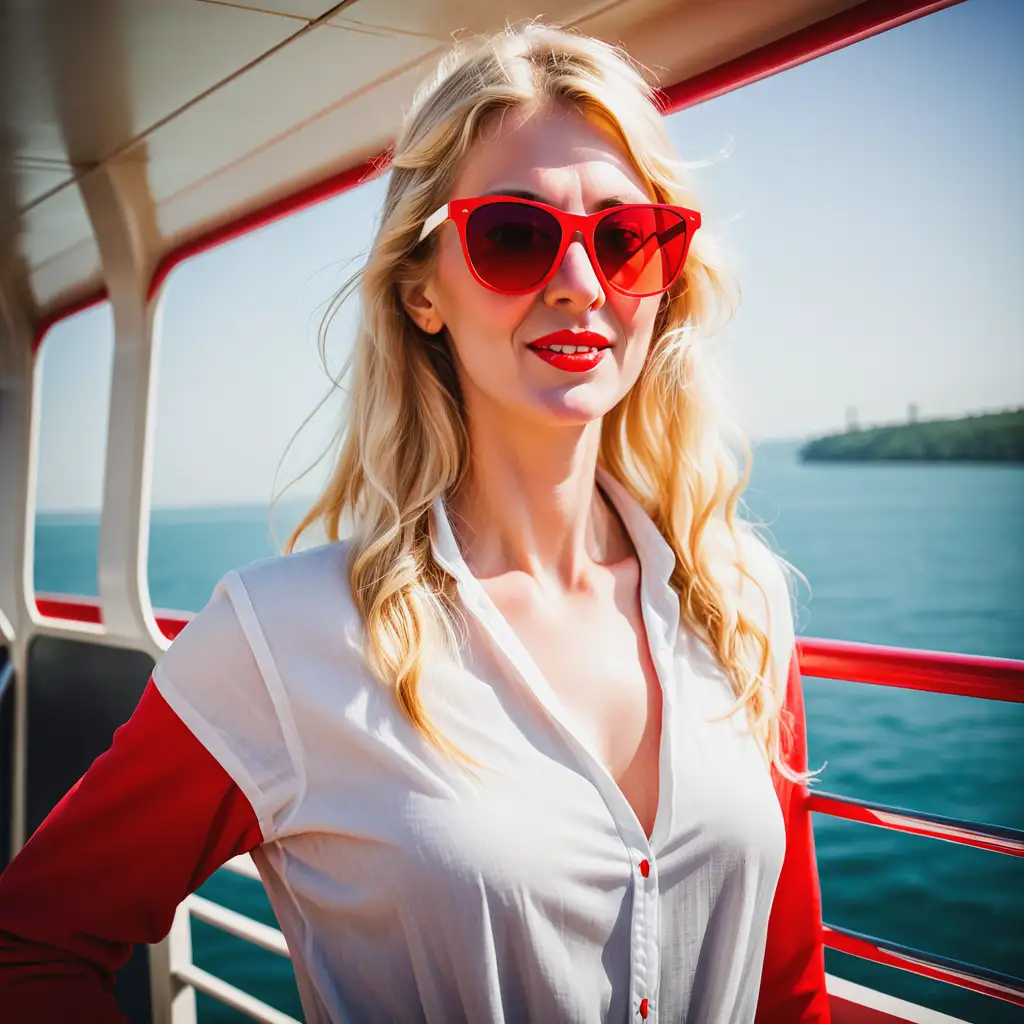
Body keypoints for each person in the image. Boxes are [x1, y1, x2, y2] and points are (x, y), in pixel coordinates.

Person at [0, 23, 829, 1024]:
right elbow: (30, 945)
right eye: (515, 236)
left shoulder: (739, 608)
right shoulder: (283, 641)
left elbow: (788, 995)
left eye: (623, 237)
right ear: (420, 289)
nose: (579, 281)